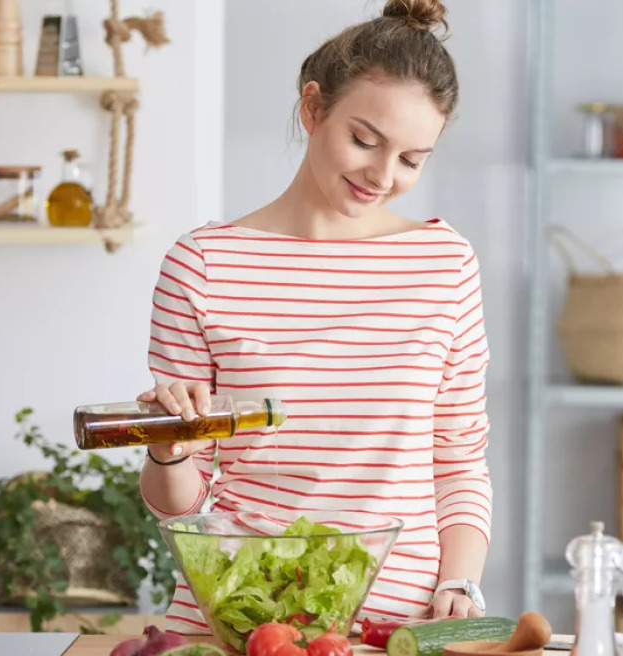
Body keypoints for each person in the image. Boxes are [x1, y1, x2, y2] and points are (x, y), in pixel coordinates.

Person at [137, 0, 492, 636]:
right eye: (365, 140)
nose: (382, 176)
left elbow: (459, 457)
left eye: (412, 160)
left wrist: (458, 583)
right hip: (242, 621)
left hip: (394, 632)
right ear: (313, 108)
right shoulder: (204, 265)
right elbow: (186, 509)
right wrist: (167, 450)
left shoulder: (445, 263)